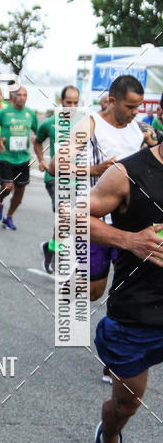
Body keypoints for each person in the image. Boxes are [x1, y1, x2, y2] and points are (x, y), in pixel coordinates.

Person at [85, 140, 163, 443]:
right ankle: (108, 440)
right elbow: (72, 216)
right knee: (125, 404)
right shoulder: (128, 173)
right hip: (139, 313)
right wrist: (129, 240)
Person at [87, 75, 152, 303]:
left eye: (138, 107)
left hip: (130, 222)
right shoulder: (91, 124)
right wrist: (96, 170)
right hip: (98, 219)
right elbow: (57, 165)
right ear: (112, 101)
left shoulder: (140, 129)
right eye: (130, 106)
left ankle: (121, 329)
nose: (135, 112)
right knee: (94, 292)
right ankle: (69, 285)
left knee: (132, 285)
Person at [34, 85, 80, 273]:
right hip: (55, 177)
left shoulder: (85, 123)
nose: (72, 106)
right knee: (64, 215)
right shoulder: (49, 123)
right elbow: (37, 142)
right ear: (61, 102)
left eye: (75, 103)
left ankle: (50, 247)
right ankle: (57, 254)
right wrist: (42, 160)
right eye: (68, 102)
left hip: (78, 179)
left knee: (70, 219)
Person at [0, 85, 38, 230]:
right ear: (12, 96)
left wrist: (35, 137)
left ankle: (8, 217)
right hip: (6, 157)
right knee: (8, 187)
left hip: (23, 158)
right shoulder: (4, 113)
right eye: (19, 95)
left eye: (24, 95)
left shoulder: (30, 114)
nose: (22, 98)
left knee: (20, 191)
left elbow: (38, 131)